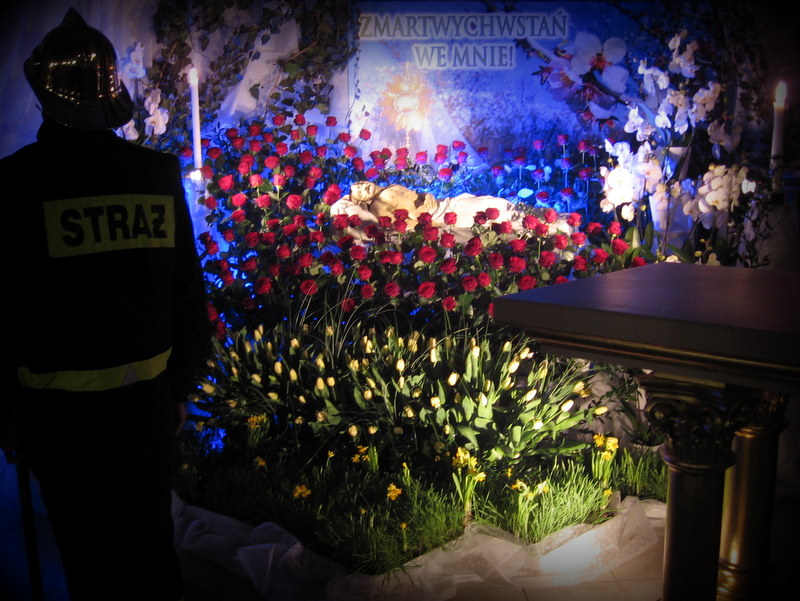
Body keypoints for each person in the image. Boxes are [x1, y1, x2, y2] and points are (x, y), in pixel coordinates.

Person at [0, 9, 210, 601]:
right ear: (110, 93)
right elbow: (186, 291)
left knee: (93, 564)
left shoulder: (15, 183)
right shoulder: (155, 173)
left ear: (44, 93)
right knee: (154, 554)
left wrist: (8, 415)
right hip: (147, 410)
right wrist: (179, 388)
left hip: (60, 422)